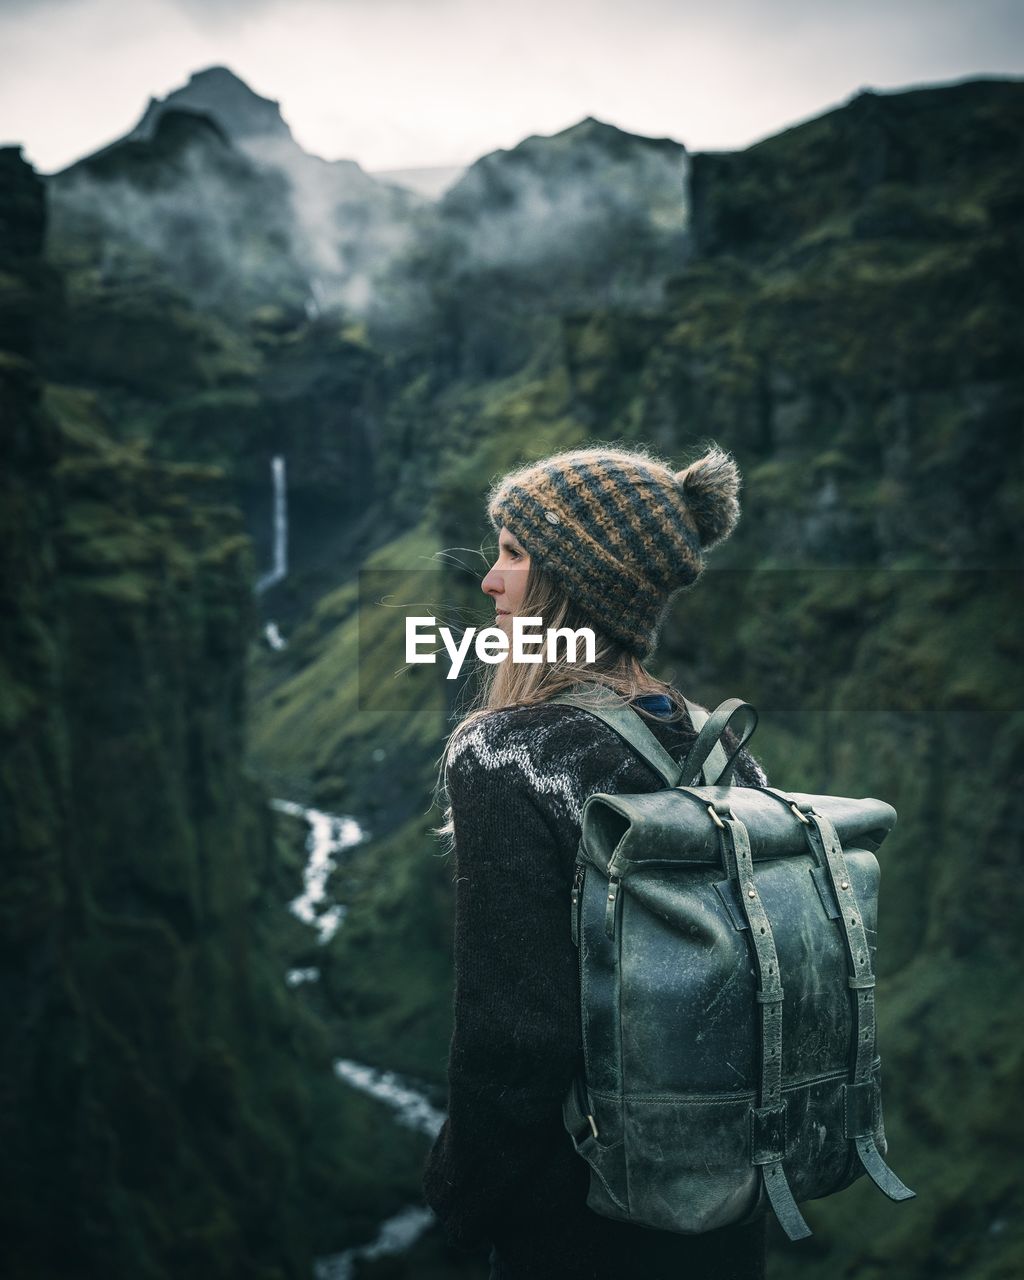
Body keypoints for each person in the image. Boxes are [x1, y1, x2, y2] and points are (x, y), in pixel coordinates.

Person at [422, 442, 771, 1280]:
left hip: (577, 1224)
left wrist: (459, 1204)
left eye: (511, 555)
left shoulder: (507, 753)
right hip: (722, 1213)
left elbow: (514, 1037)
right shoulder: (723, 751)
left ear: (570, 584)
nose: (489, 584)